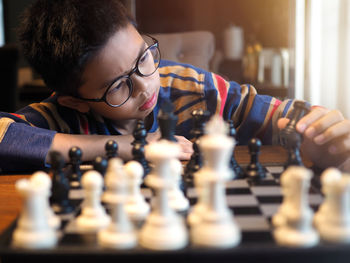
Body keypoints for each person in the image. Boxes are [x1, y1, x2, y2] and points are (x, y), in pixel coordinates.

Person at [0, 0, 350, 173]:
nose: (145, 86)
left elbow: (280, 114)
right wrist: (127, 146)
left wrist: (319, 128)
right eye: (119, 85)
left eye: (144, 57)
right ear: (76, 101)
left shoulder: (193, 87)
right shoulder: (63, 116)